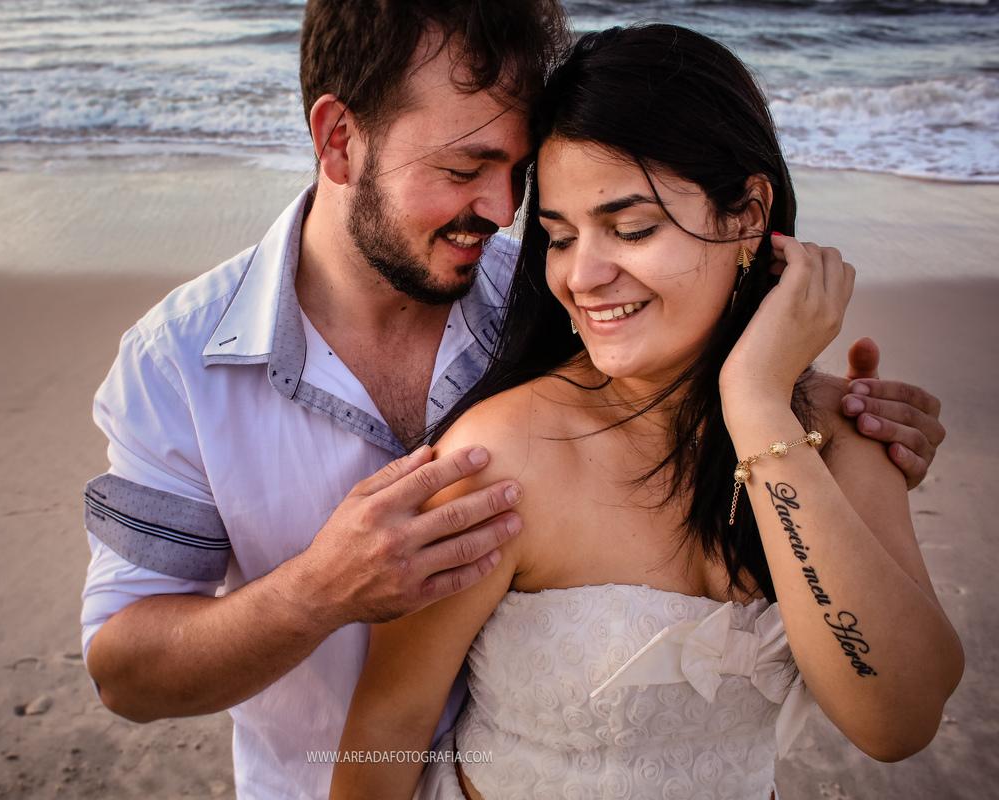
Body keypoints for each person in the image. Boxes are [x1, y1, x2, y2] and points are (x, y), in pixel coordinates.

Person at [80, 3, 947, 797]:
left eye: (520, 174)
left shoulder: (559, 305)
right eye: (466, 167)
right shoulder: (180, 361)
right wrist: (320, 589)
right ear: (339, 139)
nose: (504, 214)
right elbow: (127, 673)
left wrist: (786, 411)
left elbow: (897, 715)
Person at [331, 25, 963, 800]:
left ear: (748, 215)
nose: (582, 276)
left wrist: (758, 406)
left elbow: (898, 720)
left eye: (631, 229)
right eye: (559, 238)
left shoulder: (834, 429)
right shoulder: (503, 456)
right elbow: (387, 730)